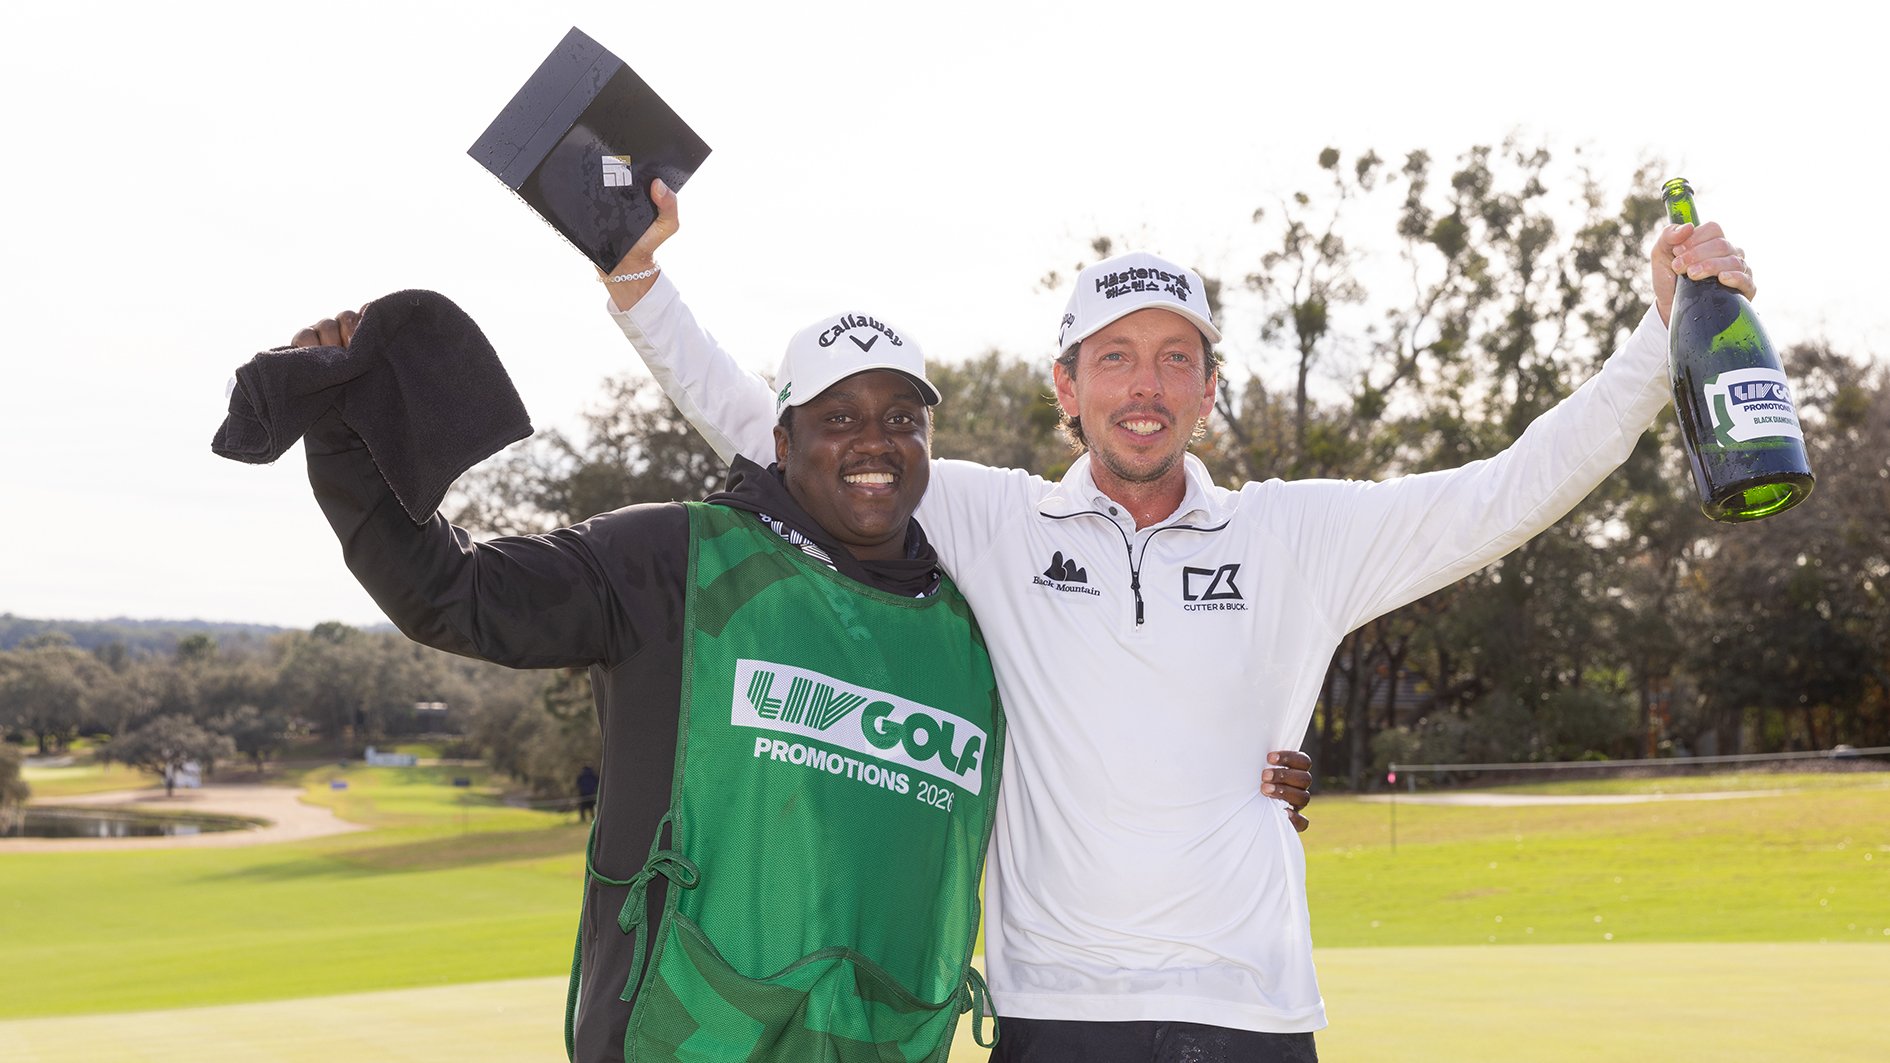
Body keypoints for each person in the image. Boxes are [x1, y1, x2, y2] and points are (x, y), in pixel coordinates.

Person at [598, 180, 1756, 1061]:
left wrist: (1661, 343)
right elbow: (776, 435)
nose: (1143, 385)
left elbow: (1504, 494)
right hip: (1057, 1020)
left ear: (1209, 387)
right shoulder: (989, 518)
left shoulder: (1294, 535)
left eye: (1172, 360)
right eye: (1114, 359)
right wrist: (640, 289)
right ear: (1067, 386)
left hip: (1248, 1012)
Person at [278, 304, 1008, 1062]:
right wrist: (347, 432)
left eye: (901, 417)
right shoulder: (672, 559)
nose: (874, 441)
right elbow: (455, 595)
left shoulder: (979, 627)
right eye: (839, 415)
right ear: (783, 441)